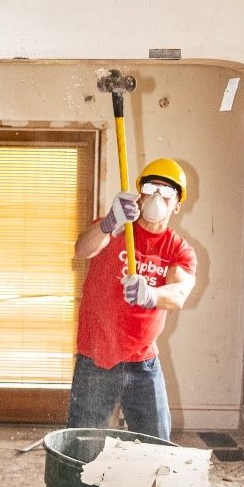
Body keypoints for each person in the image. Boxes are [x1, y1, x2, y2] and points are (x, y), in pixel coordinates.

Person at [67, 158, 198, 440]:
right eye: (152, 187)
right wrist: (108, 224)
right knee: (82, 447)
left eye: (167, 192)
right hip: (96, 359)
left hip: (143, 362)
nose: (157, 196)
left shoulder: (178, 249)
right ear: (140, 193)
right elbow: (81, 249)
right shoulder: (116, 229)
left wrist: (151, 294)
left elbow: (179, 293)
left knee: (157, 446)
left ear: (177, 204)